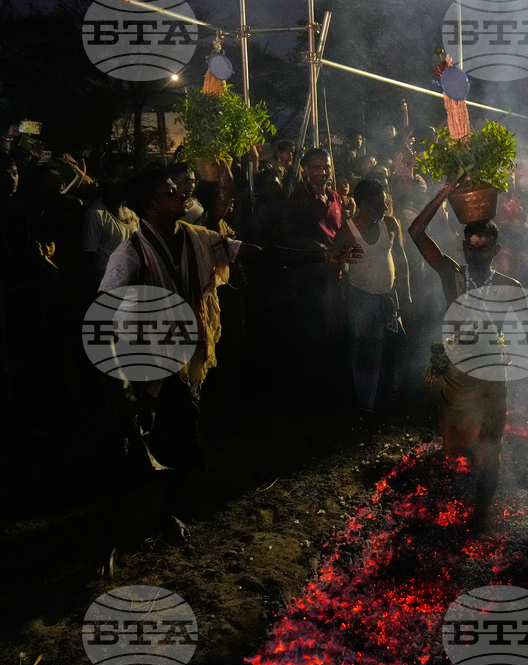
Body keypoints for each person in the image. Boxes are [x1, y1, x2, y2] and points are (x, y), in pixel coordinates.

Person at [95, 166, 362, 572]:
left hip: (183, 358)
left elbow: (258, 252)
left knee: (183, 444)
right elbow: (105, 315)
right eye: (170, 190)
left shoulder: (197, 238)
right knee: (129, 455)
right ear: (150, 204)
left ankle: (165, 516)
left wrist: (321, 254)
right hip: (143, 362)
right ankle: (109, 542)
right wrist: (120, 380)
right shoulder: (129, 252)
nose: (180, 192)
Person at [408, 181, 528, 533]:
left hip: (494, 376)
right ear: (463, 246)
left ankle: (481, 512)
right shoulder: (451, 275)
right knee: (458, 444)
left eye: (484, 246)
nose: (476, 251)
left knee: (488, 450)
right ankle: (466, 486)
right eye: (471, 244)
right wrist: (445, 191)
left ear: (496, 250)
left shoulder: (508, 288)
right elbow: (416, 231)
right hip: (457, 375)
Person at [331, 179, 411, 412]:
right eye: (379, 204)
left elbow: (401, 260)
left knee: (398, 344)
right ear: (364, 204)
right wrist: (336, 302)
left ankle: (390, 395)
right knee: (367, 351)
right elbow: (335, 268)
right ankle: (366, 404)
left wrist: (405, 293)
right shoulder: (348, 231)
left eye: (385, 203)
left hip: (388, 296)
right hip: (362, 299)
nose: (385, 208)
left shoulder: (390, 224)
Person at [81, 156, 138, 288]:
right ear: (108, 179)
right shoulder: (96, 214)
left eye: (131, 177)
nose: (130, 182)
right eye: (124, 176)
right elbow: (89, 261)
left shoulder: (133, 214)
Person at [283, 148, 343, 247]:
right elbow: (287, 237)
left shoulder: (335, 198)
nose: (323, 172)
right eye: (317, 167)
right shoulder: (298, 200)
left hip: (336, 259)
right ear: (307, 169)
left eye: (326, 167)